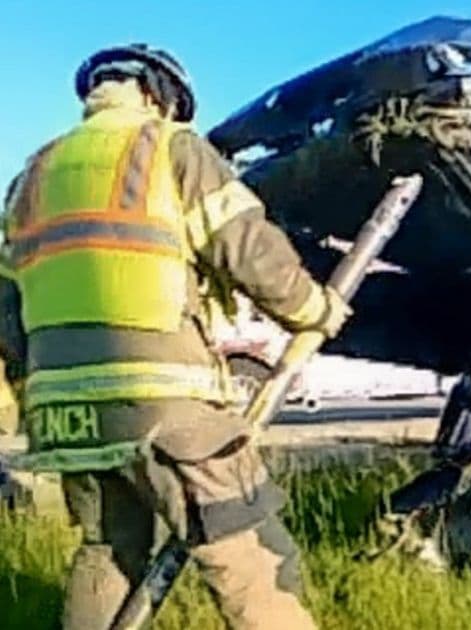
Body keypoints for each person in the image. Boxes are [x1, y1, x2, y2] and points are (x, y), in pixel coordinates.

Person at [0, 43, 351, 629]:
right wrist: (313, 308)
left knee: (108, 551)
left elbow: (6, 306)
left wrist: (37, 380)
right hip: (164, 404)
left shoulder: (31, 176)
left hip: (67, 415)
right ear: (157, 95)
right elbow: (246, 247)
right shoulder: (170, 147)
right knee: (251, 555)